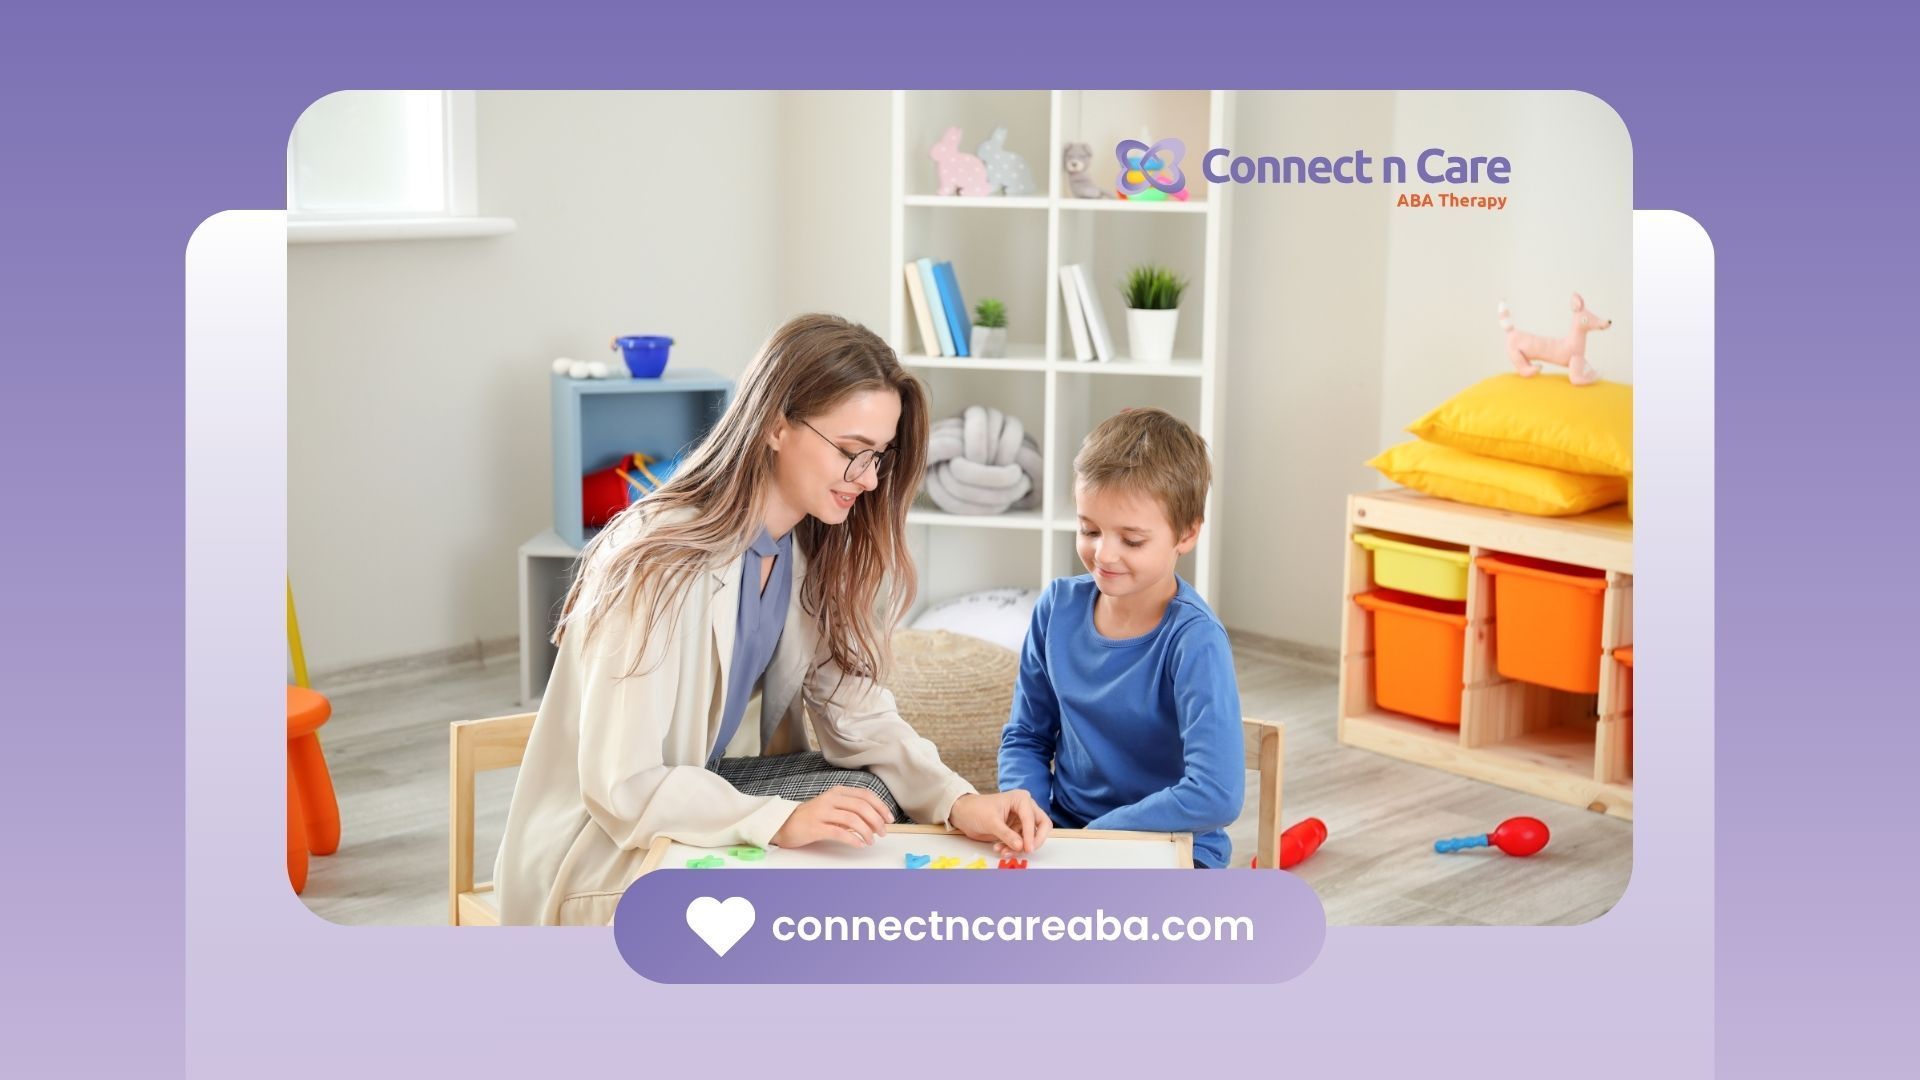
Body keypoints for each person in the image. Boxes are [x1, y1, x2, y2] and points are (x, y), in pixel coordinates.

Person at [496, 313, 1048, 925]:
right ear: (776, 424)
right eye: (850, 452)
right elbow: (620, 784)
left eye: (878, 458)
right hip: (604, 840)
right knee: (838, 829)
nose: (866, 480)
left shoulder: (806, 549)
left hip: (692, 790)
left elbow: (857, 715)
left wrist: (959, 800)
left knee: (870, 796)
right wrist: (781, 819)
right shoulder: (654, 561)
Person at [997, 408, 1245, 868]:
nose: (1104, 553)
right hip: (1065, 836)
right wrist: (1026, 805)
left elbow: (1216, 794)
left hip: (1173, 848)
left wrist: (1097, 840)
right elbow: (1027, 737)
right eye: (1089, 529)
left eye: (1131, 540)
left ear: (1187, 533)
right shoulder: (1056, 608)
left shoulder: (1195, 641)